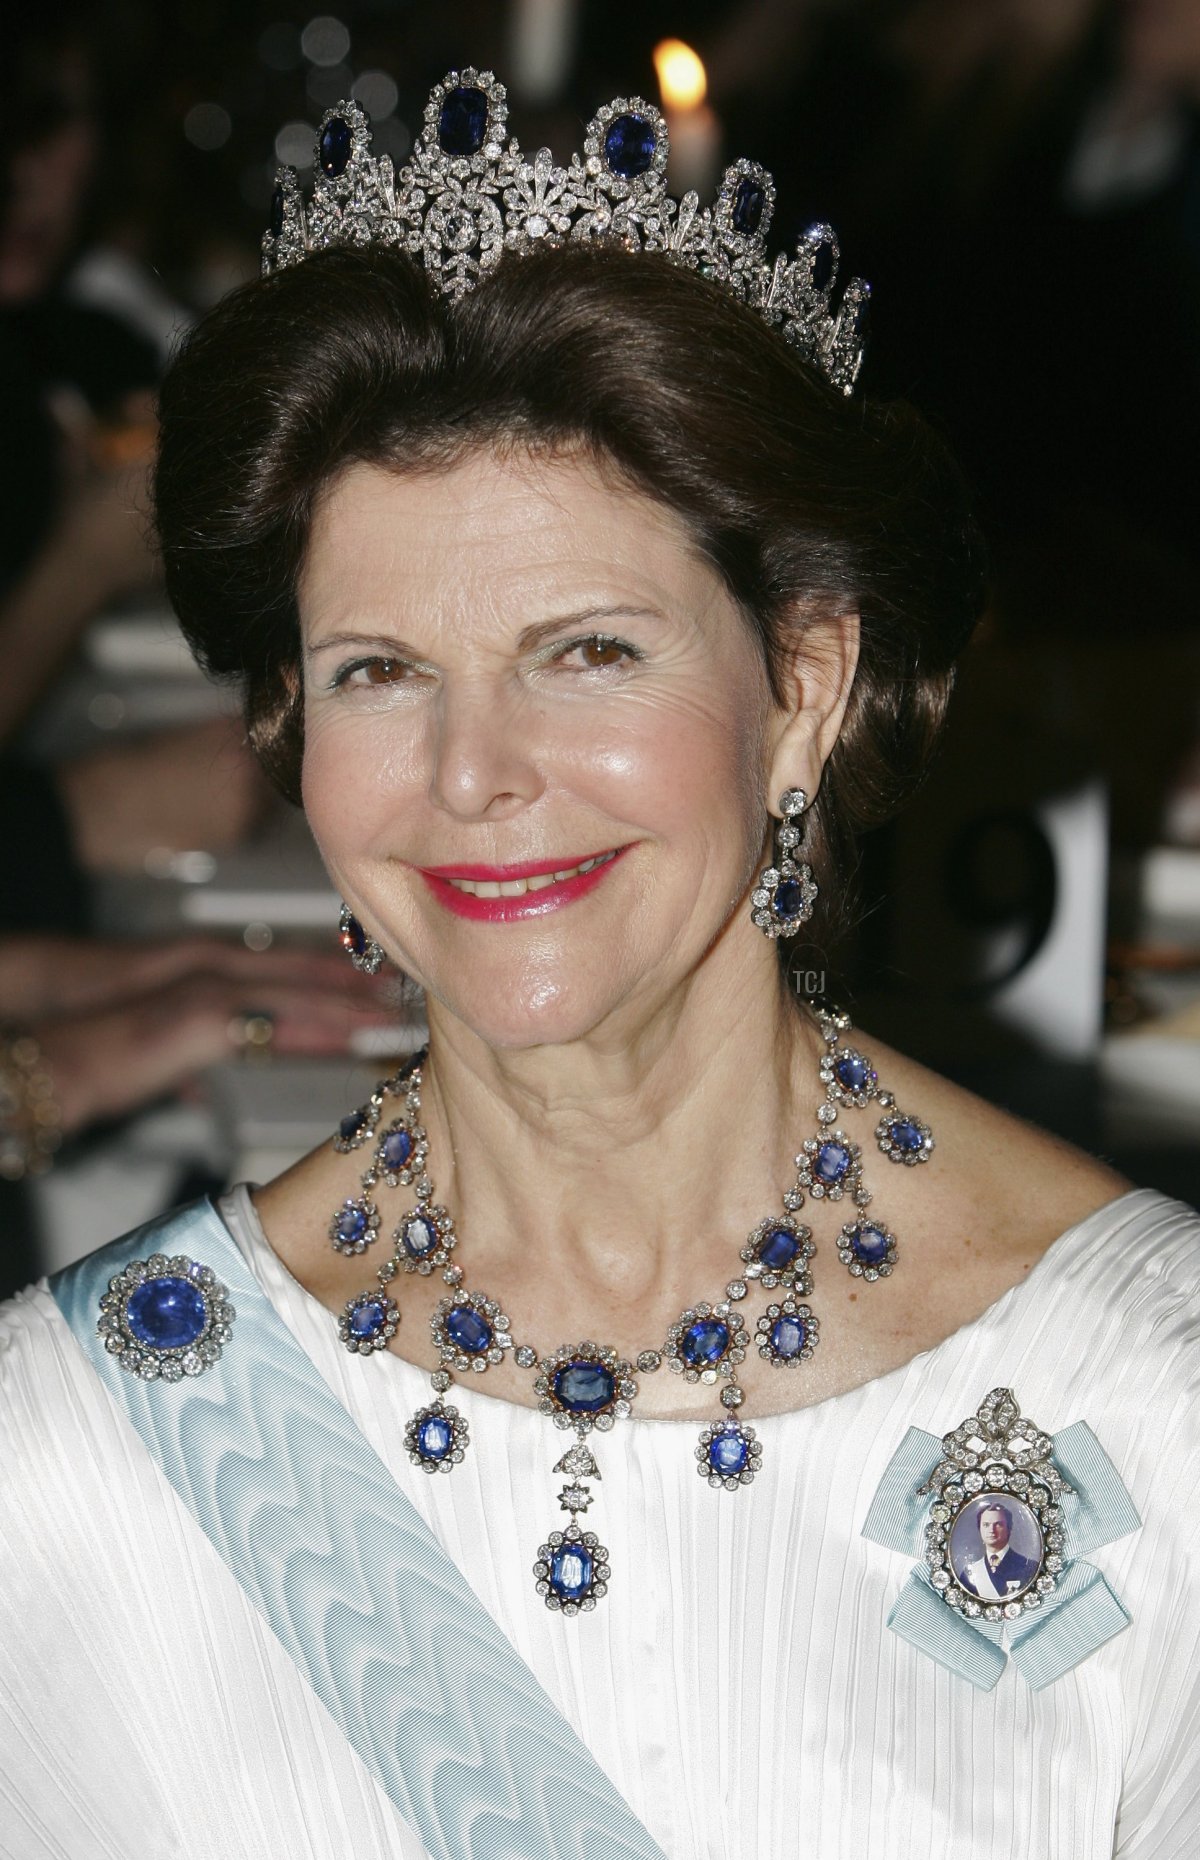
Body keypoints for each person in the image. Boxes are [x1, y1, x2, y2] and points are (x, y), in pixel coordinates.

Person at [1, 72, 1198, 1860]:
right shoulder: (79, 1444)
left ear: (804, 686)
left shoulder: (1152, 1402)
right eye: (380, 671)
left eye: (586, 650)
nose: (473, 773)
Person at [956, 1501, 1041, 1602]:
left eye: (998, 1524)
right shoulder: (968, 1573)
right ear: (980, 1529)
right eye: (986, 1525)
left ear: (1008, 1528)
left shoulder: (1028, 1567)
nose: (991, 1530)